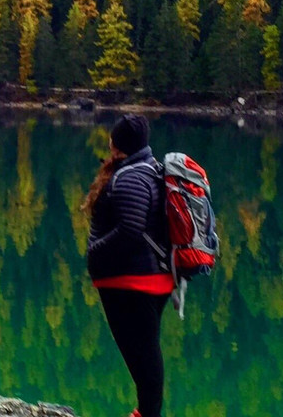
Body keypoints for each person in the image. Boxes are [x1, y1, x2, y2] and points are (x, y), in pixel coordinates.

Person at [83, 114, 172, 417]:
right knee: (145, 355)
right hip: (150, 279)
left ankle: (147, 414)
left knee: (144, 359)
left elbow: (131, 229)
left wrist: (94, 255)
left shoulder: (131, 176)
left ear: (119, 144)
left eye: (113, 139)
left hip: (132, 283)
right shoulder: (148, 169)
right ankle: (145, 412)